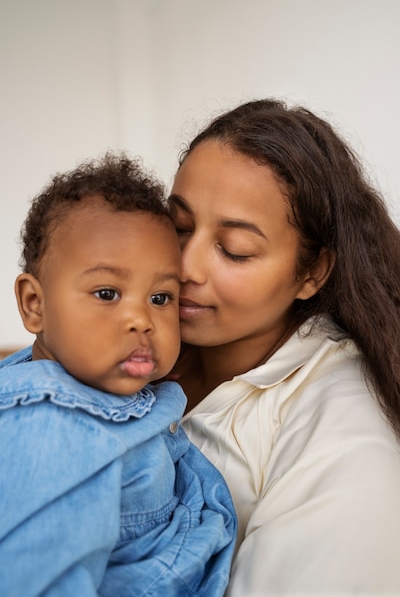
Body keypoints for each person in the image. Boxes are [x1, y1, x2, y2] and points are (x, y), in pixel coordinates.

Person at [168, 98, 400, 596]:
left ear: (312, 272)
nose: (186, 267)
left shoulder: (348, 444)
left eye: (234, 250)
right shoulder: (139, 346)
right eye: (178, 228)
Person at [0, 153, 236, 597]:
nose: (141, 319)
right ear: (35, 304)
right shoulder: (50, 428)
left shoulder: (105, 390)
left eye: (162, 297)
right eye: (107, 293)